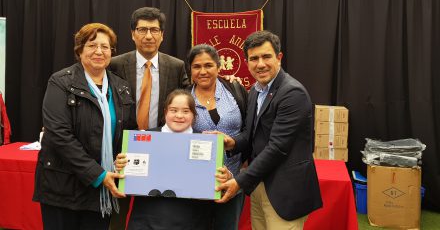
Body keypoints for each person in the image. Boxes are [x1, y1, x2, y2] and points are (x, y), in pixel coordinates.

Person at [33, 23, 137, 230]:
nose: (99, 51)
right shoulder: (60, 82)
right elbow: (58, 135)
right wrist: (98, 175)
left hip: (101, 192)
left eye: (105, 47)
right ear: (80, 49)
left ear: (111, 52)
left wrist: (124, 155)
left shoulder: (121, 87)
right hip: (64, 188)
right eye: (92, 45)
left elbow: (128, 133)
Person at [215, 31, 323, 229]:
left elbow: (278, 147)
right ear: (247, 62)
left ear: (279, 58)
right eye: (254, 58)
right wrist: (232, 142)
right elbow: (252, 134)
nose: (260, 64)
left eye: (266, 56)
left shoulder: (292, 93)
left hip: (285, 191)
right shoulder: (256, 90)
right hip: (260, 184)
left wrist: (239, 181)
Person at [108, 7, 190, 229]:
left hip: (161, 152)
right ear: (132, 33)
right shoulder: (114, 65)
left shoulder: (176, 66)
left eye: (154, 30)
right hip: (121, 151)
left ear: (162, 35)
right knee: (117, 215)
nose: (148, 36)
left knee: (155, 216)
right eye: (142, 29)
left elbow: (187, 105)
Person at [114, 89, 232, 230]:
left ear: (194, 115)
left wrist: (226, 176)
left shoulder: (208, 142)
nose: (179, 116)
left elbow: (219, 177)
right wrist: (118, 166)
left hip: (193, 219)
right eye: (173, 110)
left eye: (186, 111)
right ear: (165, 112)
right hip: (147, 219)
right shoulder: (144, 139)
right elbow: (126, 176)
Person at [188, 44, 248, 230]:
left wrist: (235, 143)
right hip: (194, 184)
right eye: (197, 66)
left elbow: (250, 131)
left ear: (219, 66)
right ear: (190, 69)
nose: (203, 71)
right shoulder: (184, 98)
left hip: (232, 181)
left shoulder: (235, 91)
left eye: (208, 65)